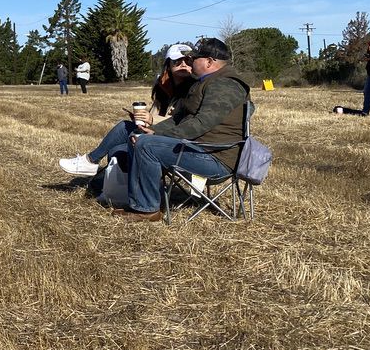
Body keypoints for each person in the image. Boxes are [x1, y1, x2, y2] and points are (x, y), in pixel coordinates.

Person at [117, 37, 250, 222]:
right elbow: (180, 118)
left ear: (209, 62)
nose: (189, 63)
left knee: (146, 145)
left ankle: (147, 209)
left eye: (193, 59)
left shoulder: (226, 85)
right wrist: (154, 130)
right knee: (138, 136)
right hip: (199, 148)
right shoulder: (205, 82)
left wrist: (159, 135)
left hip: (216, 158)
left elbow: (202, 123)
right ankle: (140, 203)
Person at [59, 44, 194, 176]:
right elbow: (156, 115)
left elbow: (187, 122)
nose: (183, 64)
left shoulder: (194, 89)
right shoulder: (163, 87)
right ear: (168, 65)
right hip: (158, 134)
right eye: (177, 61)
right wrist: (143, 120)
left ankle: (90, 161)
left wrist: (152, 120)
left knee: (124, 128)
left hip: (178, 143)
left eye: (187, 61)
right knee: (116, 151)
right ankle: (116, 185)